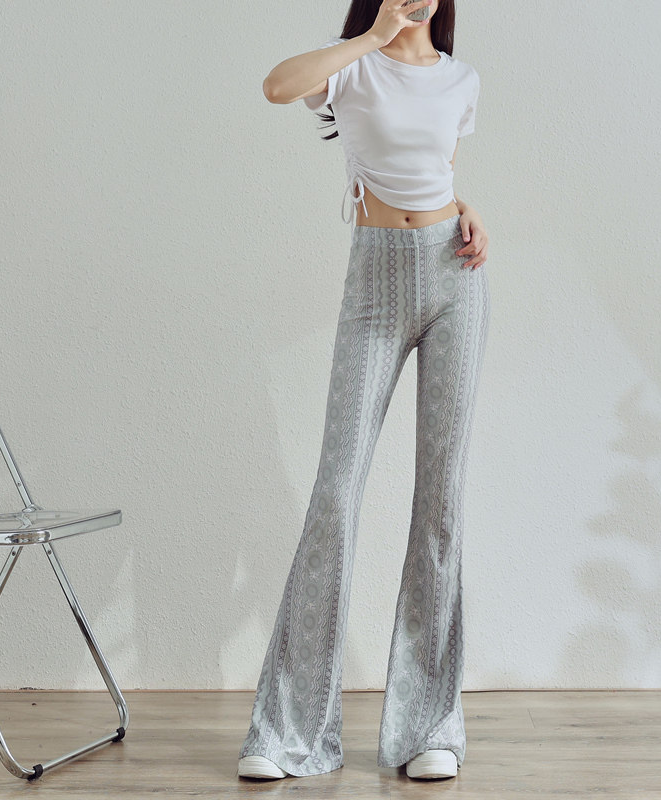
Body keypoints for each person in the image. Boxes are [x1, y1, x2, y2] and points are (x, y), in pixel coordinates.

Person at [238, 0, 490, 782]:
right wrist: (371, 36)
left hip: (454, 279)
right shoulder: (352, 64)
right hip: (375, 282)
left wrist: (467, 209)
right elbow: (277, 87)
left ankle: (428, 729)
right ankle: (286, 732)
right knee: (336, 495)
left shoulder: (461, 79)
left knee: (440, 499)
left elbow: (433, 169)